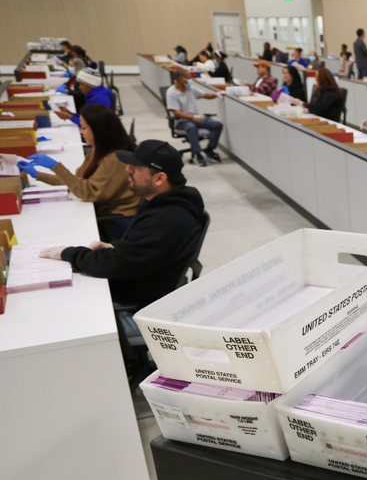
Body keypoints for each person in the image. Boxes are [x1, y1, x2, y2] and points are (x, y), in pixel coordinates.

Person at [38, 140, 206, 309]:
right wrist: (114, 247)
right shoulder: (161, 201)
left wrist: (69, 254)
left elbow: (116, 264)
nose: (127, 169)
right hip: (142, 275)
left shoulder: (167, 220)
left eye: (137, 168)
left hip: (144, 296)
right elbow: (139, 249)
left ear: (159, 179)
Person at [18, 105, 139, 238]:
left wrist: (56, 166)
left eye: (84, 128)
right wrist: (37, 174)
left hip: (117, 222)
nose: (81, 132)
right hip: (103, 213)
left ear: (99, 130)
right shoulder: (97, 150)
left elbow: (87, 192)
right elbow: (75, 182)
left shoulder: (113, 159)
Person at [165, 69, 224, 166]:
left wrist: (217, 94)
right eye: (188, 78)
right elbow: (175, 113)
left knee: (217, 125)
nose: (190, 80)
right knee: (191, 127)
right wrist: (193, 117)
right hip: (182, 121)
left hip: (195, 118)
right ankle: (198, 155)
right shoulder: (172, 92)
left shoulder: (190, 88)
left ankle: (209, 150)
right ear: (180, 79)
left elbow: (205, 95)